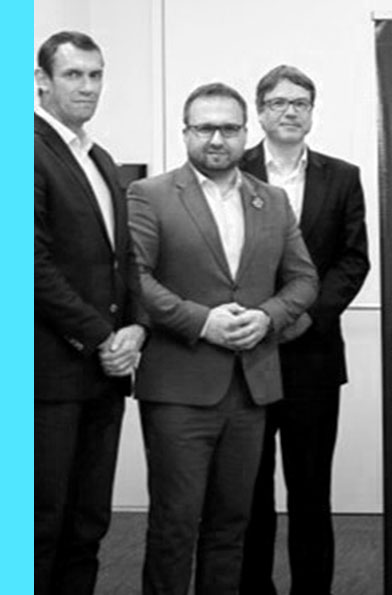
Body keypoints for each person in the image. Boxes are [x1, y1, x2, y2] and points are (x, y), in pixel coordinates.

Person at [127, 82, 318, 595]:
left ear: (245, 133)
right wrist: (202, 320)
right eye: (205, 127)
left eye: (229, 128)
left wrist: (268, 317)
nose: (217, 138)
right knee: (174, 526)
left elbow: (304, 279)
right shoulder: (150, 195)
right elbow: (137, 279)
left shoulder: (271, 200)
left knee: (231, 527)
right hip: (179, 390)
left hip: (250, 388)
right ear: (185, 132)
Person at [239, 65, 370, 595]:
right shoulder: (233, 168)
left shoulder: (342, 176)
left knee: (311, 489)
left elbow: (353, 261)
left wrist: (305, 315)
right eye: (278, 102)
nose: (290, 111)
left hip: (312, 354)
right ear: (260, 111)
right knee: (248, 490)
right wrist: (260, 319)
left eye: (301, 102)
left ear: (312, 112)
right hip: (245, 351)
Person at [34, 30, 147, 595]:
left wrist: (134, 330)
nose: (87, 86)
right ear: (42, 82)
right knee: (42, 525)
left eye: (95, 74)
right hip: (48, 376)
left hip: (105, 376)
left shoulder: (99, 157)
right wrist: (101, 336)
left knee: (89, 523)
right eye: (74, 75)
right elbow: (29, 266)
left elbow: (119, 261)